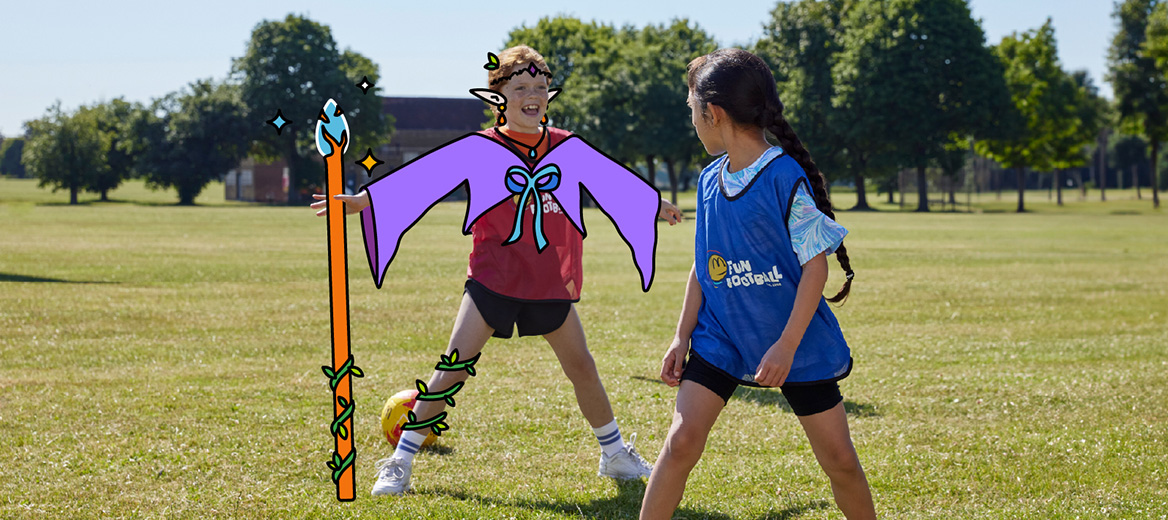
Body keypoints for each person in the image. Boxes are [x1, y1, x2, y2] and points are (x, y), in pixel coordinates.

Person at [311, 45, 682, 496]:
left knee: (582, 366)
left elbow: (611, 180)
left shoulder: (566, 146)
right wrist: (361, 201)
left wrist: (652, 203)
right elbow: (421, 179)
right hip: (494, 278)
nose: (533, 95)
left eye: (541, 88)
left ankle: (614, 454)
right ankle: (399, 461)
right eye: (521, 87)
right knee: (454, 368)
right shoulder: (479, 148)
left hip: (547, 281)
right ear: (497, 97)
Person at [639, 48, 876, 519]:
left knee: (840, 461)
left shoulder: (784, 176)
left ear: (714, 113)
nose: (692, 122)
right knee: (681, 442)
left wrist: (786, 346)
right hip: (721, 336)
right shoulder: (708, 182)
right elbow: (704, 266)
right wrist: (681, 336)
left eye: (692, 111)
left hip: (793, 340)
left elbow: (815, 268)